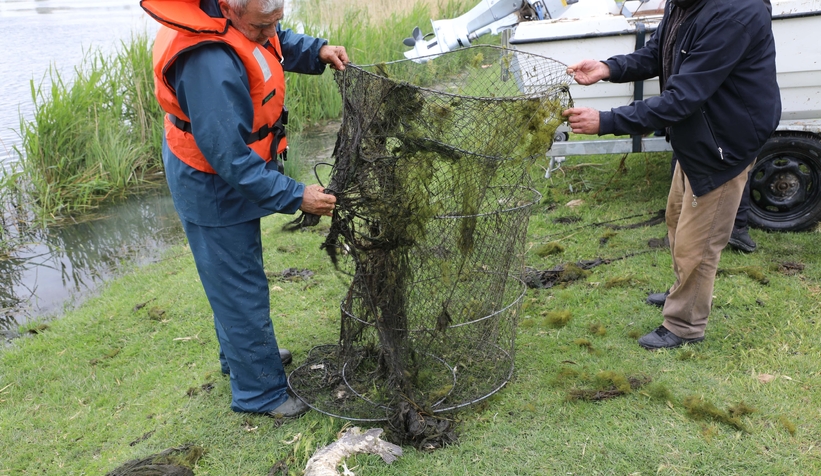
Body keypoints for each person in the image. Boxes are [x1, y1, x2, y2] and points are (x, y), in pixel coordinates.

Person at [140, 0, 347, 416]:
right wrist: (295, 195)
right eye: (261, 26)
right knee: (239, 286)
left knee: (232, 275)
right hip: (210, 180)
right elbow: (230, 158)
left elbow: (270, 42)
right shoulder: (207, 65)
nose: (270, 34)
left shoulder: (239, 21)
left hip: (225, 171)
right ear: (231, 12)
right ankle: (260, 393)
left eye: (276, 23)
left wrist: (317, 50)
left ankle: (239, 360)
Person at [562, 0, 780, 349]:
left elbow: (683, 97)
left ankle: (684, 325)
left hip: (724, 141)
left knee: (699, 243)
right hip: (697, 134)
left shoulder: (737, 13)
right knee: (677, 220)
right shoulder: (683, 3)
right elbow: (658, 53)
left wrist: (606, 121)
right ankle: (682, 293)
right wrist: (608, 68)